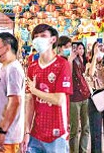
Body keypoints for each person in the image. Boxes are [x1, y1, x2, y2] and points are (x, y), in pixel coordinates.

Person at [24, 24, 72, 153]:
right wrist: (26, 131)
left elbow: (59, 99)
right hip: (35, 132)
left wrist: (35, 91)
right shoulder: (32, 67)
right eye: (36, 36)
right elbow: (29, 101)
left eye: (43, 36)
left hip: (57, 132)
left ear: (53, 39)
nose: (38, 39)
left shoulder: (62, 65)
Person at [69, 42, 90, 153]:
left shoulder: (86, 61)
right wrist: (70, 59)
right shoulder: (71, 60)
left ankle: (83, 150)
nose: (79, 50)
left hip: (85, 96)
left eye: (81, 48)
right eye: (76, 48)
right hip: (74, 98)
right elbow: (68, 74)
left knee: (86, 127)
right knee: (74, 129)